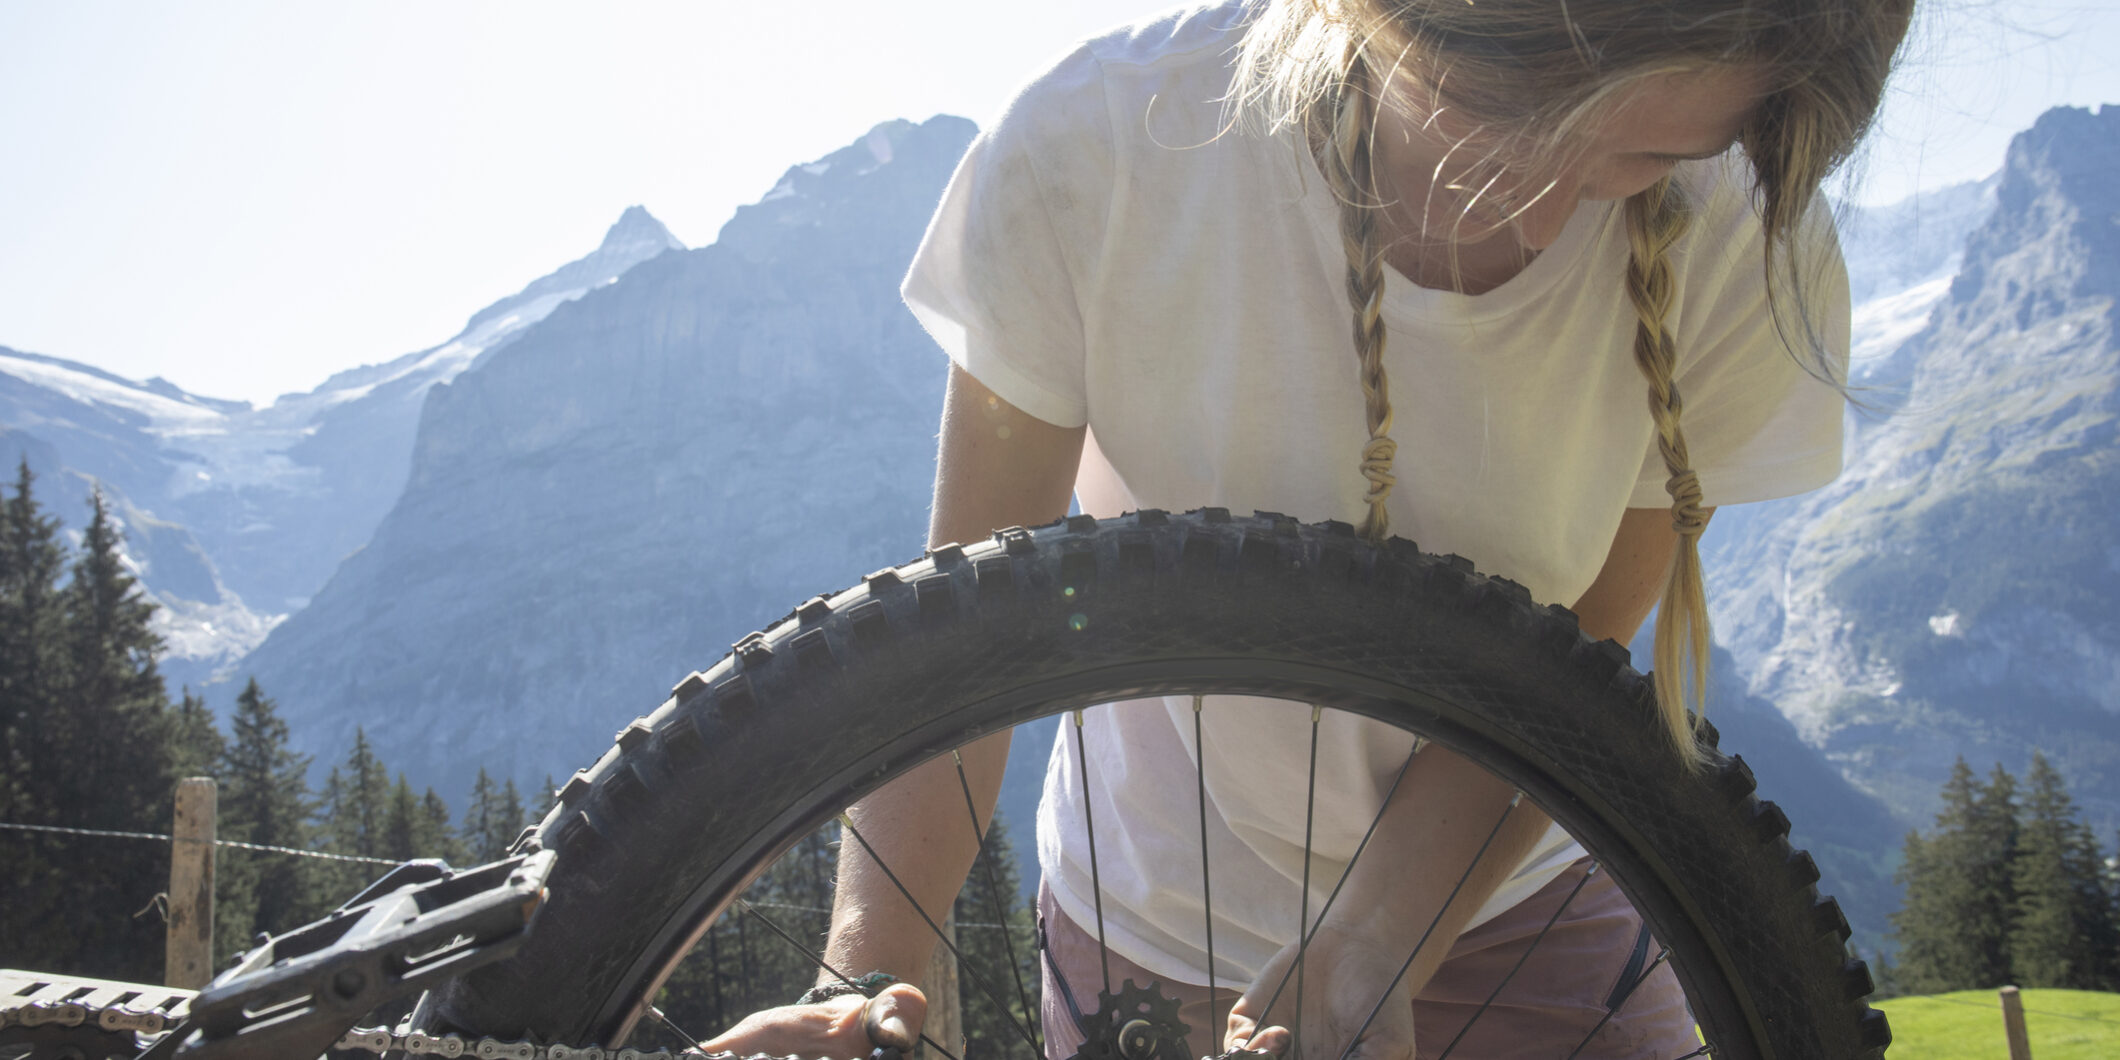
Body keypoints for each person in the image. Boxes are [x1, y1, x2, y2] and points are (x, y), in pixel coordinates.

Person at [704, 0, 1911, 1057]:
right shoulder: (1103, 145)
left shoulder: (1738, 225)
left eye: (1639, 156)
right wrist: (864, 987)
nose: (1543, 208)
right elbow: (955, 637)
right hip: (1149, 927)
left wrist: (1373, 941)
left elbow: (1570, 669)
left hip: (1518, 906)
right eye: (1499, 116)